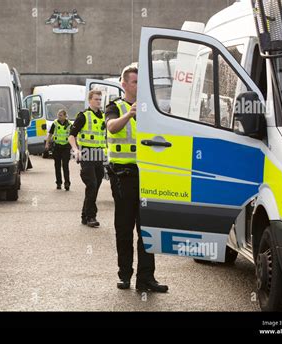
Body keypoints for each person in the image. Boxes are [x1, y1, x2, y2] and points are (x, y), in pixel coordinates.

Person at [106, 66, 168, 293]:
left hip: (148, 175)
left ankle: (146, 279)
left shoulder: (150, 109)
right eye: (134, 82)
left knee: (147, 228)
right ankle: (124, 275)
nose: (139, 86)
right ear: (124, 84)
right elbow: (111, 127)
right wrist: (129, 114)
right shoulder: (115, 107)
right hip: (123, 177)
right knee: (124, 228)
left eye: (141, 82)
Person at [69, 90, 106, 228]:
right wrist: (76, 149)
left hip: (99, 154)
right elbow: (71, 135)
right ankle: (91, 216)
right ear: (89, 100)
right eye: (96, 99)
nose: (98, 101)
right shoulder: (83, 116)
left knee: (95, 187)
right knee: (92, 184)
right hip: (86, 153)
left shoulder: (103, 116)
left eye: (100, 99)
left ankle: (85, 215)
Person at [46, 109, 71, 190]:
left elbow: (73, 136)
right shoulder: (55, 123)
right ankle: (59, 183)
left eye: (60, 115)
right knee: (57, 166)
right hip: (57, 147)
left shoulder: (69, 124)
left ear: (65, 116)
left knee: (65, 165)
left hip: (66, 147)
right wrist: (47, 143)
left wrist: (75, 146)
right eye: (58, 115)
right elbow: (50, 134)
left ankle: (67, 183)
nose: (59, 117)